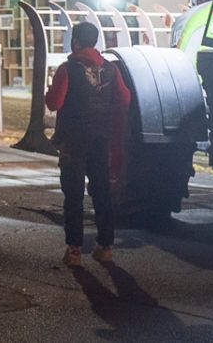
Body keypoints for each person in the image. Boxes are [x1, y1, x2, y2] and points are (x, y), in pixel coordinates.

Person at [45, 21, 130, 267]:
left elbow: (55, 103)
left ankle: (74, 250)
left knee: (73, 195)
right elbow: (125, 98)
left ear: (75, 42)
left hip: (73, 142)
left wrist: (48, 93)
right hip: (101, 139)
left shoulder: (68, 70)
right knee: (101, 191)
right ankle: (105, 246)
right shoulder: (111, 70)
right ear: (95, 42)